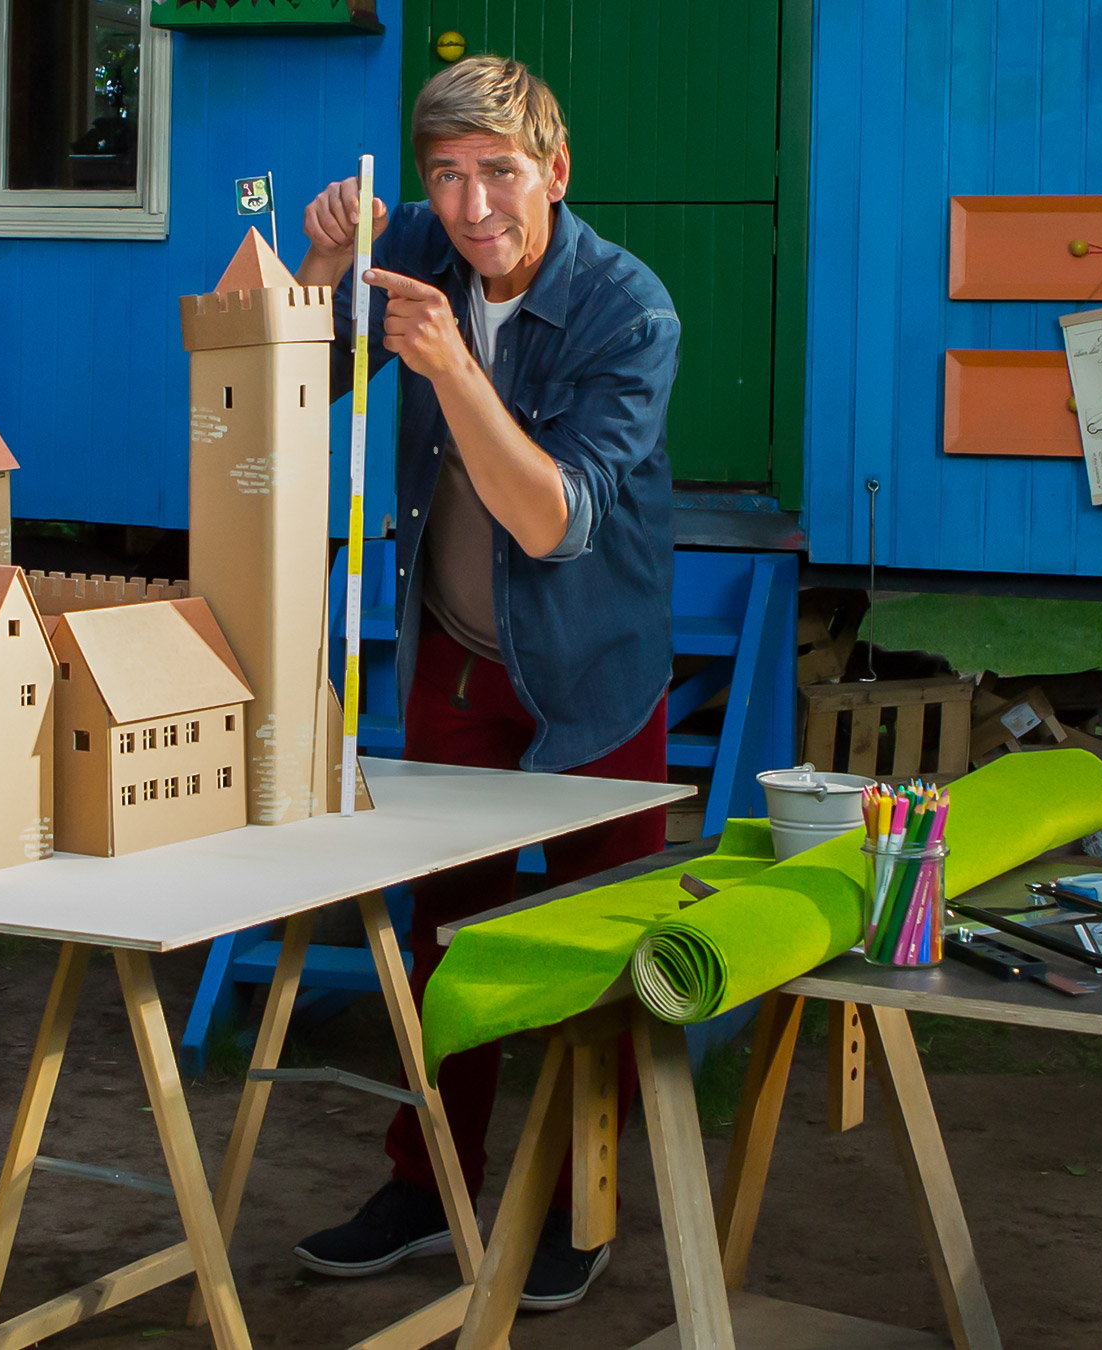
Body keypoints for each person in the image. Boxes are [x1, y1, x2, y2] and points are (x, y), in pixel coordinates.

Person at [288, 55, 679, 1313]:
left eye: (499, 174)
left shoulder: (632, 312)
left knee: (595, 950)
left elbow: (553, 524)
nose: (470, 209)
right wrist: (320, 275)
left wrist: (454, 366)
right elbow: (294, 391)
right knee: (441, 940)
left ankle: (582, 1203)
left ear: (555, 173)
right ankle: (427, 1181)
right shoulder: (411, 248)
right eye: (445, 178)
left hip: (592, 678)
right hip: (454, 653)